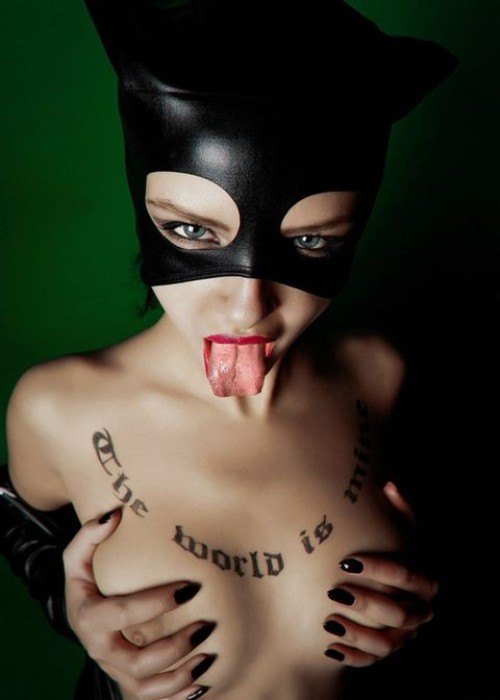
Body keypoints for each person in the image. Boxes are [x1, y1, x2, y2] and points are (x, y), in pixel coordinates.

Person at [1, 1, 457, 699]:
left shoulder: (380, 377)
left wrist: (421, 604)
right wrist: (67, 604)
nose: (248, 308)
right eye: (192, 232)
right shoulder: (56, 409)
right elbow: (19, 520)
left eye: (313, 242)